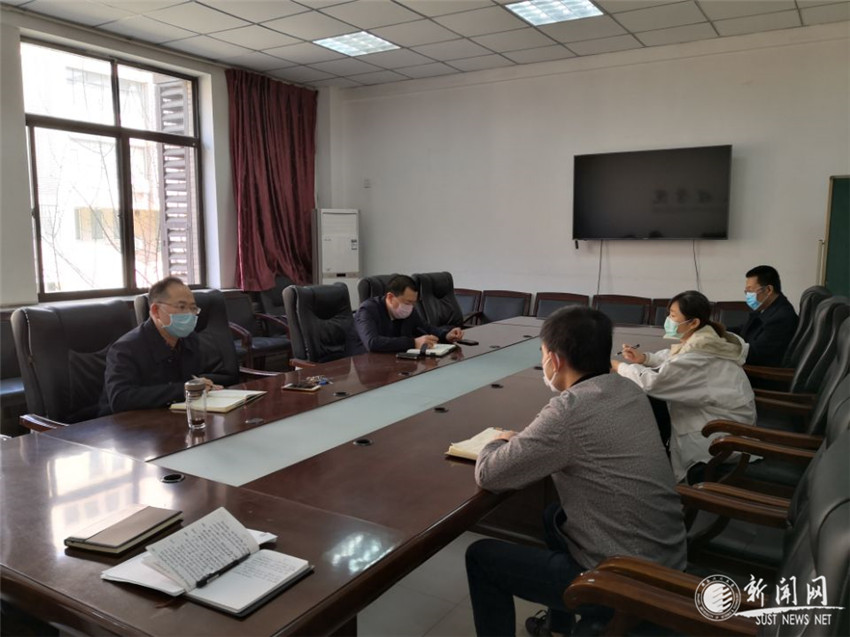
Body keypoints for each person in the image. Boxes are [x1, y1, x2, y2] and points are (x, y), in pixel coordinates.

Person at [466, 307, 686, 637]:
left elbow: (490, 475)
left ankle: (586, 610)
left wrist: (497, 441)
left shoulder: (568, 411)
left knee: (481, 558)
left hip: (623, 579)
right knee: (553, 515)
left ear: (554, 360)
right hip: (666, 559)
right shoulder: (628, 389)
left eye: (542, 353)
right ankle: (559, 626)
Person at [612, 290, 756, 483]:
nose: (668, 320)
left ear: (693, 323)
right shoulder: (706, 339)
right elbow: (676, 356)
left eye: (673, 315)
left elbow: (653, 382)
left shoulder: (700, 355)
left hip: (719, 431)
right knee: (654, 407)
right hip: (723, 416)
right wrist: (645, 358)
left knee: (649, 401)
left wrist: (618, 366)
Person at [99, 277, 232, 415]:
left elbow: (187, 379)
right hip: (123, 423)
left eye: (193, 308)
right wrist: (185, 389)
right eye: (181, 307)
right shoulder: (125, 348)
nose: (189, 314)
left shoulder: (189, 339)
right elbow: (120, 399)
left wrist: (200, 385)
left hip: (170, 415)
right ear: (156, 310)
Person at [354, 274, 463, 353]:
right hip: (369, 364)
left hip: (397, 361)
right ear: (390, 297)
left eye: (413, 302)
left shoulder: (408, 310)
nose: (411, 307)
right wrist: (413, 343)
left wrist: (446, 334)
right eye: (407, 302)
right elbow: (372, 342)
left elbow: (425, 328)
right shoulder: (367, 310)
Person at [734, 265, 799, 366]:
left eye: (750, 291)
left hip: (756, 372)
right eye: (746, 292)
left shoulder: (782, 318)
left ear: (768, 290)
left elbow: (757, 355)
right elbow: (744, 330)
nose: (747, 295)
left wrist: (724, 348)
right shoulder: (764, 308)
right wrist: (719, 330)